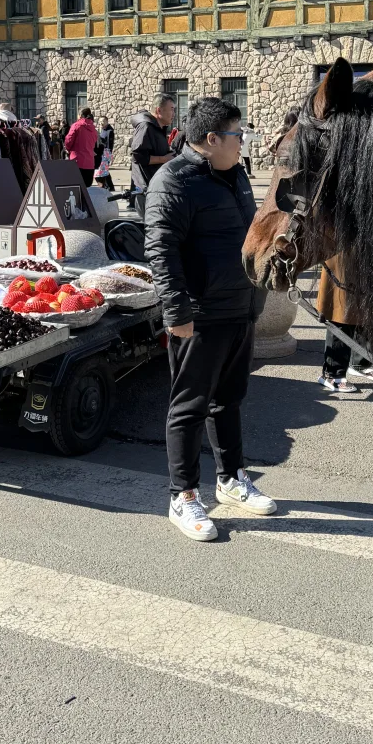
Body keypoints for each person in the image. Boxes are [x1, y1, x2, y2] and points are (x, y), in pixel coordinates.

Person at [145, 96, 275, 542]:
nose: (243, 144)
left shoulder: (234, 174)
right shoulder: (173, 180)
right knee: (189, 406)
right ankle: (182, 496)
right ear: (212, 138)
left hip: (240, 307)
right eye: (238, 136)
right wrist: (177, 311)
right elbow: (160, 250)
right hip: (198, 316)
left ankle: (231, 478)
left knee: (230, 398)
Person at [316, 260, 373, 393]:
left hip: (367, 251)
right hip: (342, 251)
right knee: (341, 311)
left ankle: (361, 362)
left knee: (367, 307)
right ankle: (333, 373)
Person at [130, 93, 176, 188]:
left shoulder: (158, 128)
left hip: (155, 184)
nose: (174, 114)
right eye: (171, 109)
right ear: (159, 110)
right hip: (144, 188)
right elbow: (137, 156)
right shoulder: (146, 127)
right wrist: (163, 159)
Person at [64, 107, 99, 186]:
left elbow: (68, 140)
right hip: (89, 163)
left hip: (77, 161)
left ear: (80, 115)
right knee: (87, 190)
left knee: (75, 189)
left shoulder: (76, 125)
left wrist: (67, 149)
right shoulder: (93, 129)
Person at [95, 114, 116, 190]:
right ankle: (108, 186)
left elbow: (109, 144)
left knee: (104, 170)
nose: (101, 123)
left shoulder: (109, 131)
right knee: (103, 170)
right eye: (100, 121)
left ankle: (109, 186)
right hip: (101, 152)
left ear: (107, 121)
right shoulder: (102, 130)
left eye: (103, 121)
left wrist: (108, 156)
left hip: (105, 152)